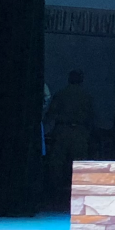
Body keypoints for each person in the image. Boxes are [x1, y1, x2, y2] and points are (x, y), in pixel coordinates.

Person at [43, 69, 96, 203]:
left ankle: (54, 193)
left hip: (62, 130)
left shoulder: (61, 94)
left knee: (57, 162)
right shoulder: (86, 96)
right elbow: (91, 116)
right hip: (79, 131)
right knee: (80, 162)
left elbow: (51, 114)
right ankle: (80, 192)